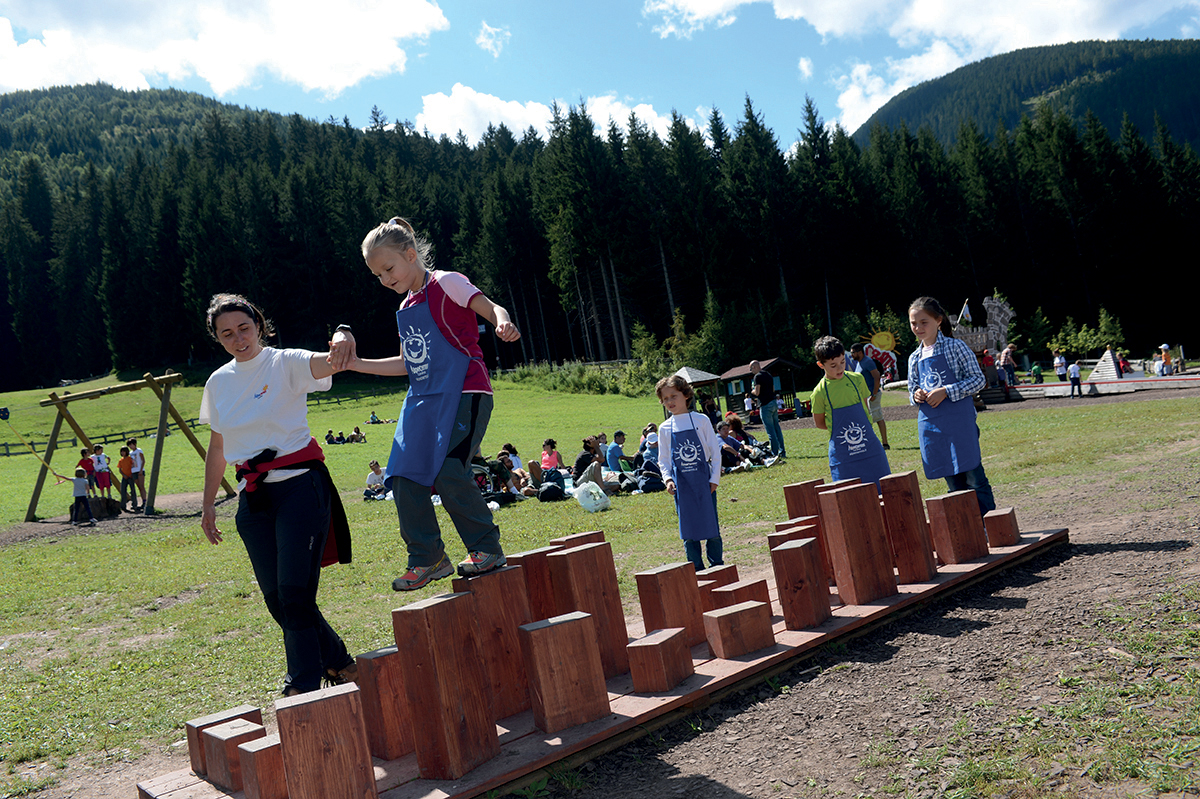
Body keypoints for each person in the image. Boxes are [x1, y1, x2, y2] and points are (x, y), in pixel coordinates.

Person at [336, 216, 520, 590]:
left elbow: (492, 308)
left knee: (449, 469)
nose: (385, 279)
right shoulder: (406, 306)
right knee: (402, 475)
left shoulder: (447, 282)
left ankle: (486, 549)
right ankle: (428, 558)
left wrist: (502, 323)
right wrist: (356, 364)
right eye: (377, 275)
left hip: (465, 390)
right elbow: (408, 363)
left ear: (410, 254)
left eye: (388, 269)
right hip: (423, 398)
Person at [199, 293, 356, 696]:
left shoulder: (285, 362)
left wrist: (342, 334)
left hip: (300, 487)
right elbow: (218, 446)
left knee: (295, 592)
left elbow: (330, 361)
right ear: (217, 338)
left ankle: (301, 685)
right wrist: (208, 505)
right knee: (277, 601)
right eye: (227, 333)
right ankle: (339, 661)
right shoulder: (218, 383)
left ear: (259, 326)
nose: (238, 338)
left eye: (244, 328)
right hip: (252, 500)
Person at [907, 296, 995, 516]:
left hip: (960, 424)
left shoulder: (956, 347)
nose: (918, 327)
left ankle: (989, 524)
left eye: (924, 322)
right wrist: (916, 395)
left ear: (938, 321)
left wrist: (946, 391)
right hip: (934, 428)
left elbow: (978, 379)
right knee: (953, 484)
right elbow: (911, 391)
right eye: (913, 323)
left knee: (974, 478)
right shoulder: (913, 358)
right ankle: (965, 528)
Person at [657, 375, 723, 571]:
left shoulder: (701, 420)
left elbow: (715, 452)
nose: (670, 401)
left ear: (685, 395)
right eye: (665, 398)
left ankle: (718, 565)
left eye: (673, 396)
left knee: (711, 525)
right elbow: (663, 460)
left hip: (705, 482)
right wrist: (668, 479)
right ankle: (696, 569)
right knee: (688, 529)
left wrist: (714, 479)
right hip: (681, 486)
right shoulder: (664, 428)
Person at [812, 337, 891, 491]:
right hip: (843, 457)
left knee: (884, 491)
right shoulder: (819, 392)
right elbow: (820, 423)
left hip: (871, 450)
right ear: (821, 365)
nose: (840, 368)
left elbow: (864, 411)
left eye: (842, 362)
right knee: (849, 497)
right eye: (833, 365)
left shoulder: (857, 379)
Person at [849, 342, 891, 450]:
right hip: (864, 396)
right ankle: (871, 444)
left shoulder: (868, 362)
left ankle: (885, 444)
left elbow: (877, 376)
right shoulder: (859, 363)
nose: (851, 355)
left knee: (878, 418)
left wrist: (874, 393)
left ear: (860, 352)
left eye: (853, 353)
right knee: (867, 419)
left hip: (872, 395)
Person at [750, 360, 786, 459]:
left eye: (751, 369)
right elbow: (773, 389)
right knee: (777, 428)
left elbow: (757, 392)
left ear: (754, 367)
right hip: (773, 402)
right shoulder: (768, 375)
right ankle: (782, 451)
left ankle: (774, 453)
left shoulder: (757, 377)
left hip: (765, 405)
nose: (751, 371)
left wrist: (752, 391)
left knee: (770, 430)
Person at [127, 438, 147, 509]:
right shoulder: (130, 453)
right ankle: (142, 501)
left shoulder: (139, 450)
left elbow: (143, 460)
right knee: (139, 487)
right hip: (134, 471)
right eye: (129, 445)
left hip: (139, 470)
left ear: (134, 444)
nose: (130, 446)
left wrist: (141, 470)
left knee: (142, 486)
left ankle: (145, 501)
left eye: (131, 445)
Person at [117, 446, 138, 512]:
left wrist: (131, 474)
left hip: (130, 477)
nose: (122, 453)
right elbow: (120, 469)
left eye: (124, 451)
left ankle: (134, 504)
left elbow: (134, 466)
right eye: (121, 452)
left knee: (132, 490)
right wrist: (124, 475)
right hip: (124, 477)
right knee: (123, 490)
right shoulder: (121, 460)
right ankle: (123, 505)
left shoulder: (130, 459)